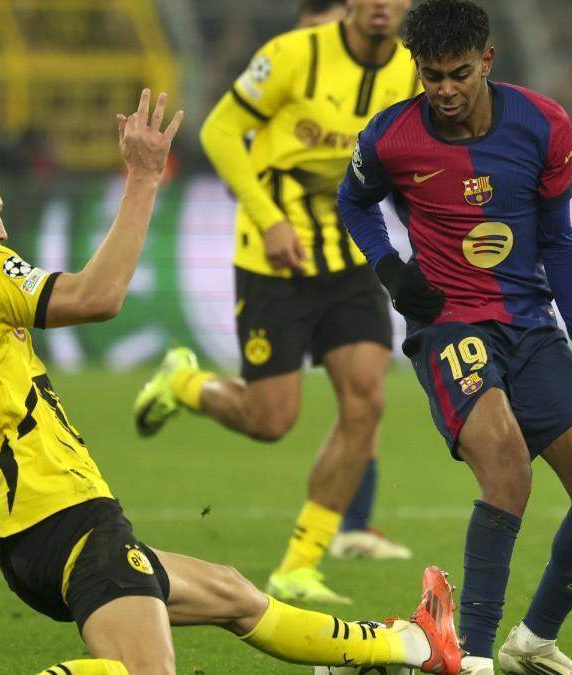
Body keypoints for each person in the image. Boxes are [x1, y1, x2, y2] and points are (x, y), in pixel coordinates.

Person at [0, 91, 462, 675]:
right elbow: (97, 297)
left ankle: (410, 645)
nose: (4, 230)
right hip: (68, 520)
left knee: (233, 594)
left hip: (22, 543)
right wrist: (143, 178)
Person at [336, 1, 572, 673]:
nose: (443, 90)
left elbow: (558, 239)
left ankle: (531, 643)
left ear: (488, 61)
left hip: (531, 323)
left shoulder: (543, 124)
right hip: (449, 324)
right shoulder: (390, 137)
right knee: (506, 464)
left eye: (458, 73)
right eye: (431, 76)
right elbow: (351, 201)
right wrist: (391, 269)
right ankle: (468, 651)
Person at [135, 0, 420, 605]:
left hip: (347, 258)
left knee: (367, 398)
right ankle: (184, 384)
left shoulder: (411, 70)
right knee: (271, 420)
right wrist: (267, 219)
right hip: (272, 258)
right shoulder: (293, 56)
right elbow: (217, 129)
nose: (382, 6)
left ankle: (299, 565)